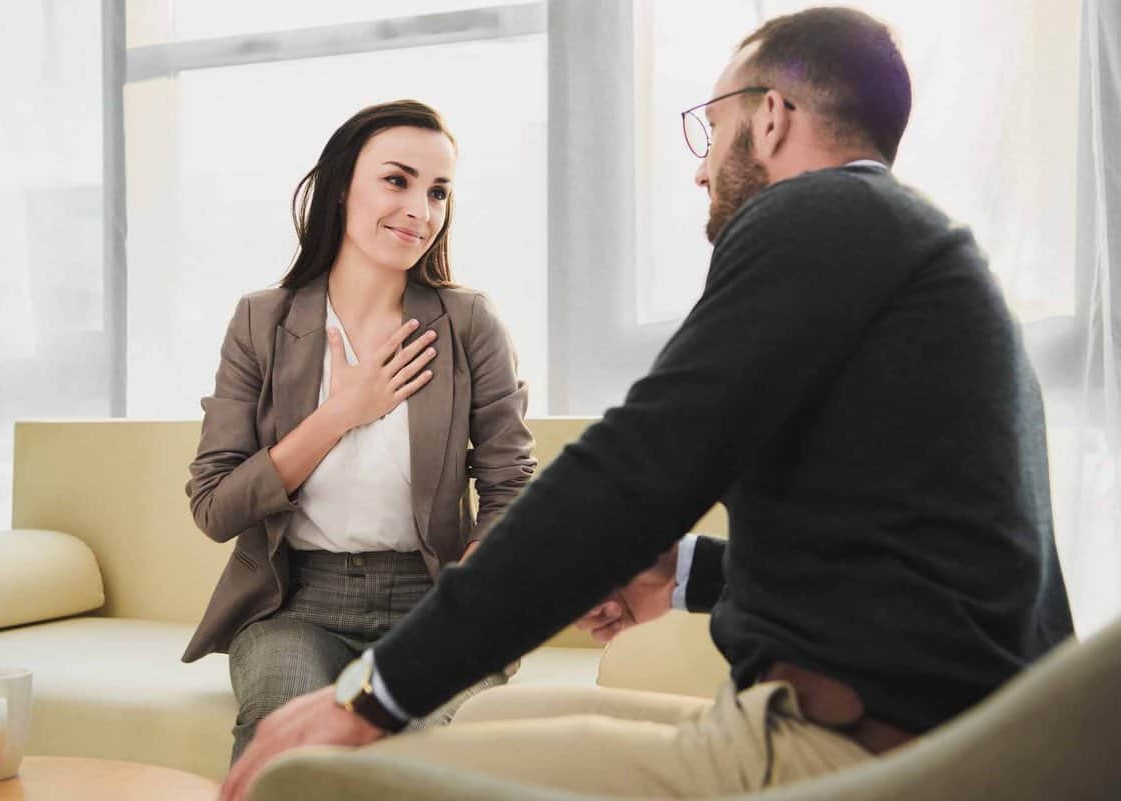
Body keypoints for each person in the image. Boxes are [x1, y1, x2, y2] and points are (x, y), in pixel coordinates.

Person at [220, 8, 1074, 800]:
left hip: (871, 753)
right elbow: (906, 565)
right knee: (483, 716)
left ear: (769, 116)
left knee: (324, 778)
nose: (701, 165)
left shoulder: (817, 215)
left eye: (712, 126)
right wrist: (683, 573)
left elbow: (633, 467)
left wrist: (375, 693)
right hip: (960, 731)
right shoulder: (909, 249)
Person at [183, 99, 536, 762]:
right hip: (298, 605)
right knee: (283, 738)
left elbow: (510, 484)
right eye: (396, 180)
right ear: (342, 185)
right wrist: (339, 413)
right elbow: (214, 505)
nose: (420, 209)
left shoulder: (469, 323)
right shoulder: (262, 321)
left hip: (433, 599)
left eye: (437, 191)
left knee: (419, 754)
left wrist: (464, 602)